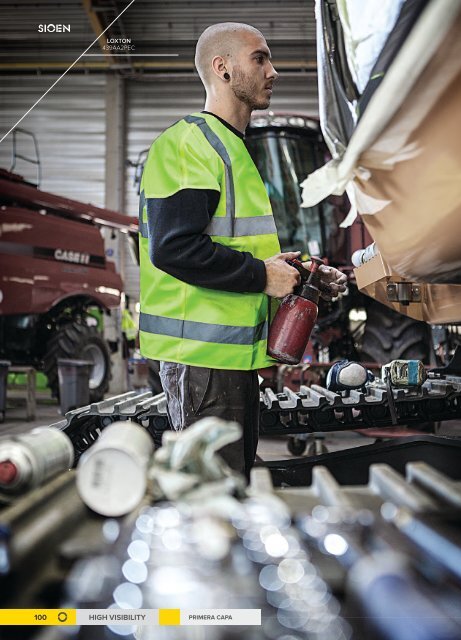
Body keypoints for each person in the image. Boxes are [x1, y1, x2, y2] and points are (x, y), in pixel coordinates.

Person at [138, 22, 347, 479]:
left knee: (235, 487)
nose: (273, 71)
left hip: (228, 363)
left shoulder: (232, 149)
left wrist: (303, 272)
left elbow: (235, 247)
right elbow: (176, 249)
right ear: (223, 68)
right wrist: (261, 276)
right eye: (260, 58)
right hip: (202, 363)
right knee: (214, 499)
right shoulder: (189, 144)